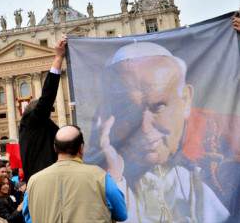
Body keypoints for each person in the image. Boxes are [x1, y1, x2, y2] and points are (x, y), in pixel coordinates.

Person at [86, 42, 230, 222]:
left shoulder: (201, 183)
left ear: (185, 100)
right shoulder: (97, 182)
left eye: (159, 106)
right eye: (129, 110)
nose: (145, 128)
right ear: (105, 115)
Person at [23, 125, 127, 223]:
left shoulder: (33, 181)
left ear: (55, 148)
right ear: (81, 148)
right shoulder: (100, 176)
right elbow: (121, 214)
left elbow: (29, 218)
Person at [19, 36, 67, 182]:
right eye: (47, 111)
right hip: (46, 182)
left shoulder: (32, 129)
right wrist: (58, 57)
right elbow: (48, 95)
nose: (49, 114)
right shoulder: (33, 121)